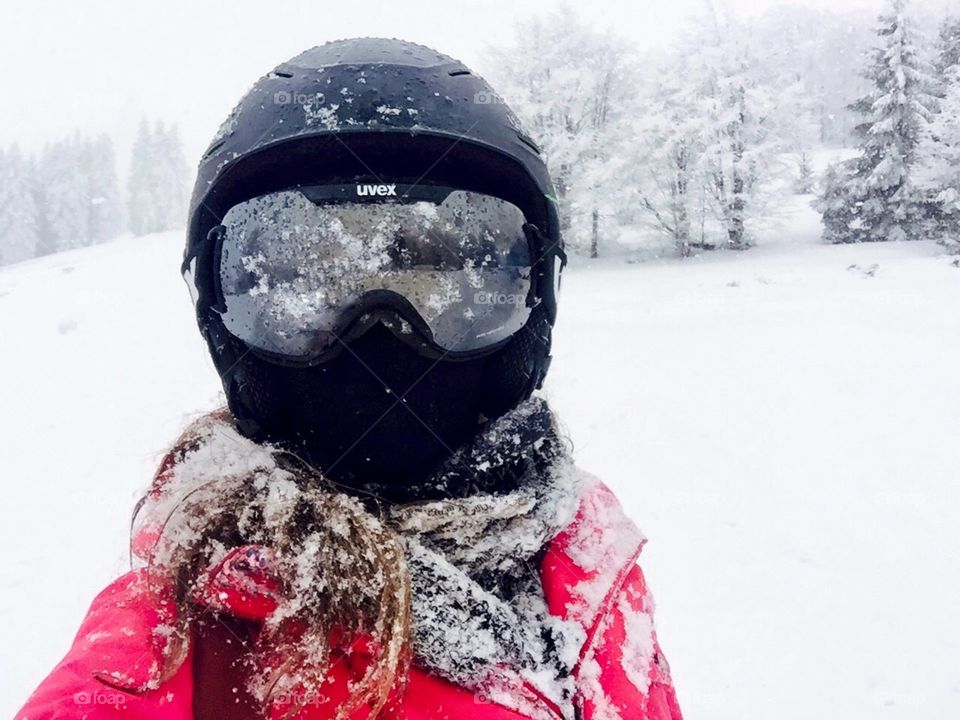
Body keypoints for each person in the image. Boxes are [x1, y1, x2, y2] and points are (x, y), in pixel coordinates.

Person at [16, 39, 682, 720]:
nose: (381, 329)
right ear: (221, 310)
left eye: (442, 268)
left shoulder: (588, 565)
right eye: (307, 279)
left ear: (533, 295)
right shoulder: (164, 649)